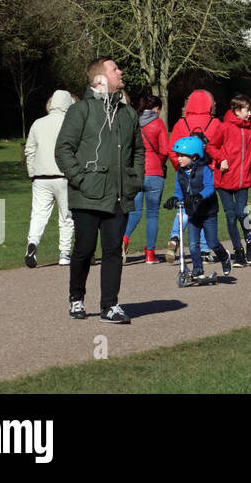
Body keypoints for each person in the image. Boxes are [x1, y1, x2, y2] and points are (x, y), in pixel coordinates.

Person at [56, 57, 143, 323]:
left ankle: (109, 306)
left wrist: (135, 179)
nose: (120, 72)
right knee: (84, 250)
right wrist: (80, 179)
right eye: (115, 69)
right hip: (87, 195)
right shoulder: (80, 110)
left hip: (119, 195)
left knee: (114, 250)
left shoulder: (128, 113)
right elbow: (63, 149)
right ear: (100, 80)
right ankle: (76, 298)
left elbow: (138, 151)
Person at [168, 90, 225, 264]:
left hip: (186, 172)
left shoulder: (181, 123)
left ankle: (175, 236)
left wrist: (180, 167)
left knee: (185, 204)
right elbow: (220, 147)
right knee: (204, 207)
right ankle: (205, 249)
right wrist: (214, 166)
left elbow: (172, 150)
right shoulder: (215, 122)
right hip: (206, 169)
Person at [165, 135, 233, 279]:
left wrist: (199, 196)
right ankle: (197, 269)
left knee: (212, 243)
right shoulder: (180, 173)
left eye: (183, 156)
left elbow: (210, 187)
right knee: (193, 245)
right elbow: (179, 191)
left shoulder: (205, 170)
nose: (178, 159)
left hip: (208, 213)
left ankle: (224, 258)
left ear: (194, 156)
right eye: (178, 155)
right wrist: (174, 199)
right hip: (193, 214)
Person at [24, 90, 76, 269]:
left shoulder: (38, 123)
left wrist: (32, 172)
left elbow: (30, 150)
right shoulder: (71, 123)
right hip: (64, 177)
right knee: (66, 216)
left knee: (38, 214)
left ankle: (32, 244)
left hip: (41, 177)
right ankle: (64, 253)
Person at [216, 94, 251, 267]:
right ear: (236, 111)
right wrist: (221, 158)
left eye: (250, 110)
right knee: (230, 217)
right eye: (246, 110)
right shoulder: (224, 128)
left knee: (242, 214)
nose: (249, 113)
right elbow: (212, 146)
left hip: (243, 179)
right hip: (224, 180)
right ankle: (238, 251)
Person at [124, 95, 168, 265]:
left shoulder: (133, 122)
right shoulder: (158, 124)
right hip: (154, 172)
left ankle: (124, 240)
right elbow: (164, 150)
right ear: (156, 108)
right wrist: (159, 163)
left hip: (137, 172)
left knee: (134, 212)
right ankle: (150, 254)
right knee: (152, 215)